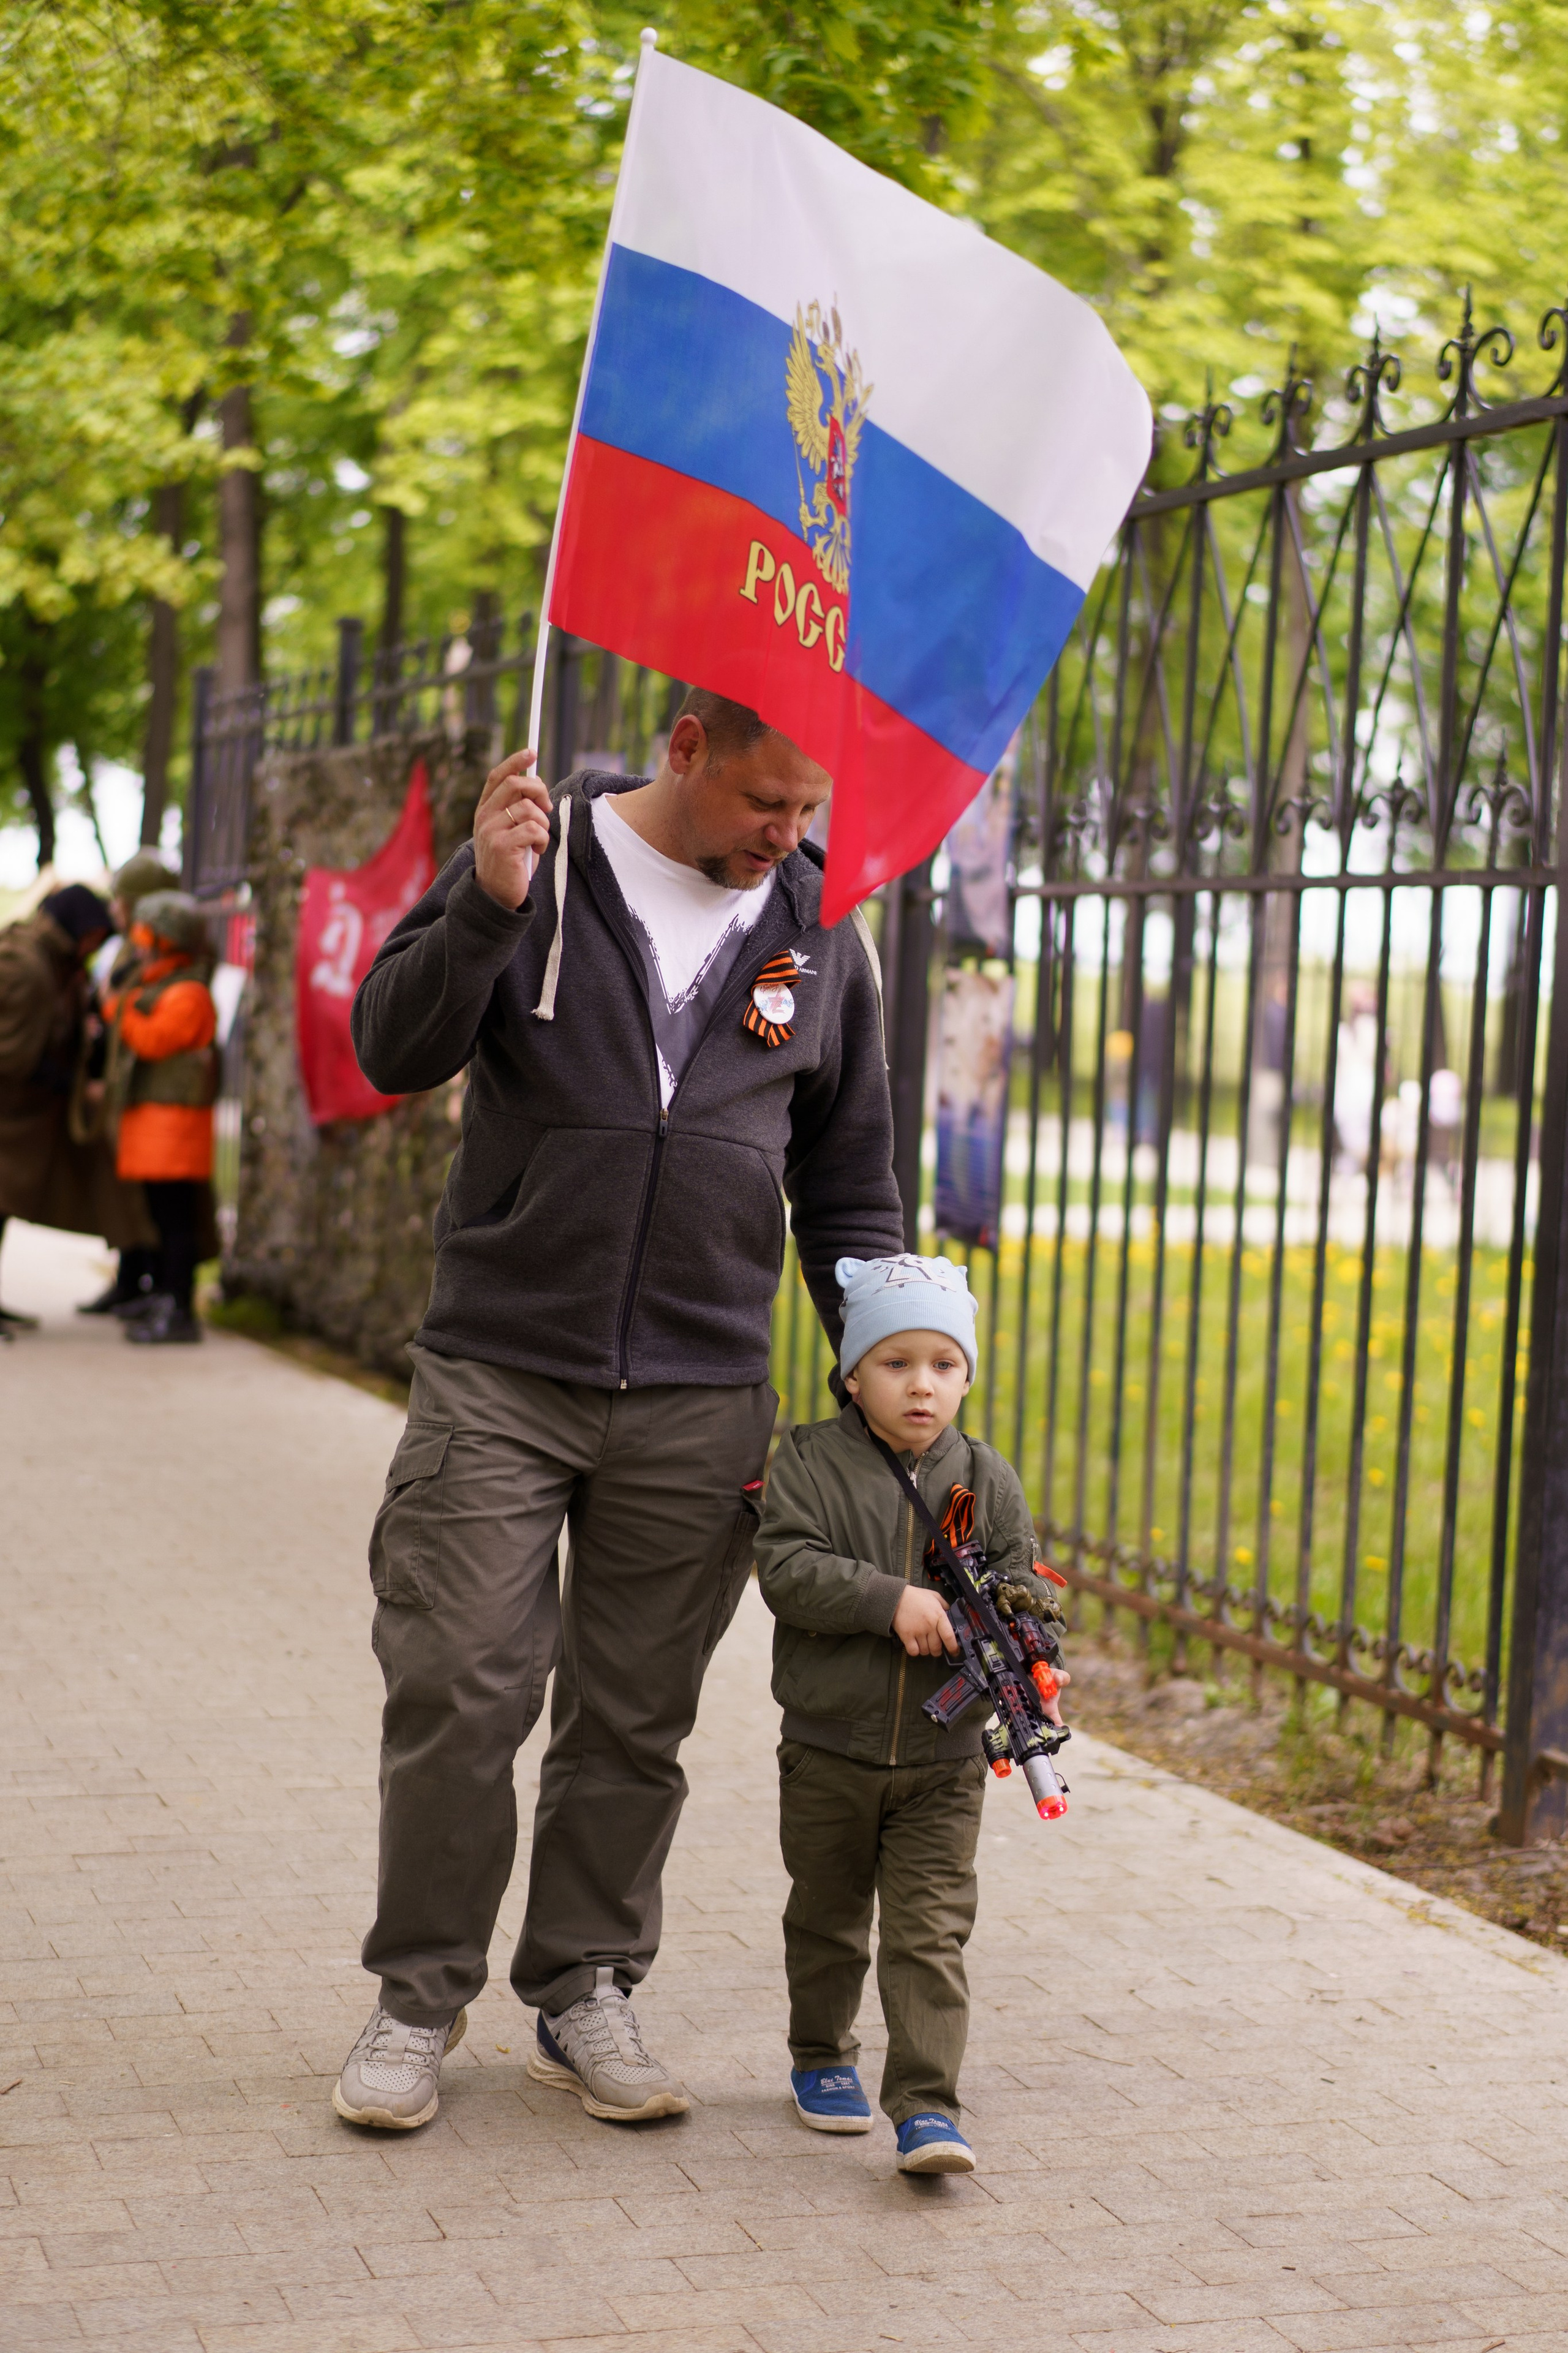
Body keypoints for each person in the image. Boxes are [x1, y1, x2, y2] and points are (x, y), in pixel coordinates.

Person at [331, 689, 903, 2134]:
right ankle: (415, 1997)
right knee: (460, 1683)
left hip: (702, 1387)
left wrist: (885, 1373)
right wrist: (478, 900)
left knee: (634, 1714)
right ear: (685, 747)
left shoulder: (822, 927)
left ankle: (582, 1979)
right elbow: (390, 1050)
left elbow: (845, 1187)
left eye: (808, 811)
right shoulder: (537, 862)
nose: (789, 834)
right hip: (502, 1369)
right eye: (765, 804)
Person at [755, 1252, 1069, 2176]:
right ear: (854, 1373)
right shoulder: (812, 1461)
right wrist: (887, 1598)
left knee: (930, 1929)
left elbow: (1022, 1577)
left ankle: (927, 2107)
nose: (921, 1385)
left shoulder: (984, 1475)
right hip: (829, 1750)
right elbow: (785, 1566)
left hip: (945, 1757)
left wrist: (1025, 1636)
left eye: (944, 1364)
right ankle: (820, 2056)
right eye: (896, 1363)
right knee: (828, 1914)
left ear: (968, 1375)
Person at [0, 882, 141, 1331]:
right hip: (11, 1109)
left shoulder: (52, 964)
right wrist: (71, 1084)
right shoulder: (29, 968)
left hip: (22, 1111)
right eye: (95, 934)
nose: (96, 945)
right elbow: (14, 1052)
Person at [101, 890, 219, 1345]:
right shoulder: (159, 985)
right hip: (158, 1129)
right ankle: (163, 1298)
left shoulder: (188, 993)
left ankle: (179, 1308)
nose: (140, 948)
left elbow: (153, 1040)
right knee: (160, 1216)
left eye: (148, 939)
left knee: (176, 1223)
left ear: (169, 941)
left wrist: (117, 1009)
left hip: (175, 1130)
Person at [76, 849, 177, 1316]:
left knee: (158, 1202)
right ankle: (130, 1276)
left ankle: (155, 1285)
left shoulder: (167, 951)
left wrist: (114, 1006)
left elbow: (139, 1014)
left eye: (123, 899)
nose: (114, 908)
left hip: (151, 1092)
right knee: (127, 1193)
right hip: (125, 1088)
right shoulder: (125, 946)